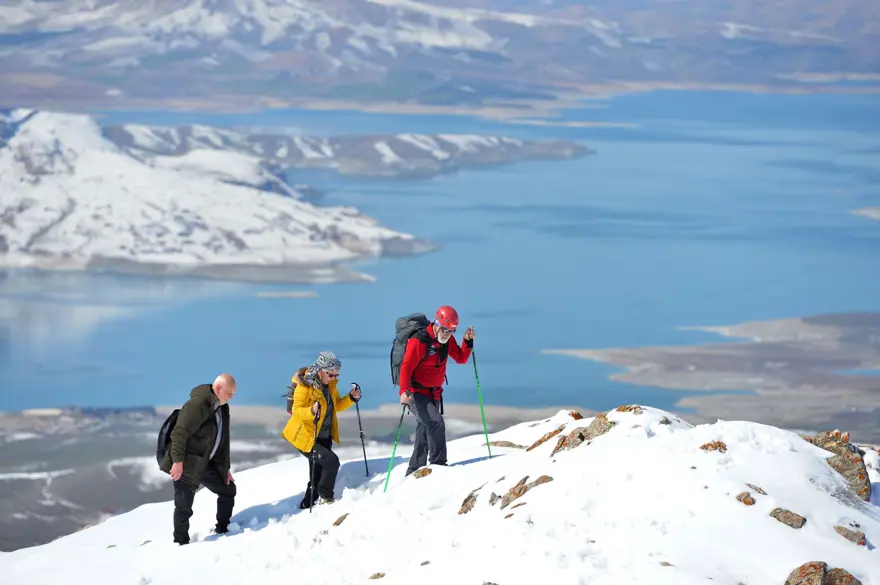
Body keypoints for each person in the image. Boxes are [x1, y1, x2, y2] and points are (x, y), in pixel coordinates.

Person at [159, 373, 237, 545]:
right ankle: (181, 543)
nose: (231, 397)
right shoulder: (197, 405)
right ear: (218, 388)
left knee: (228, 490)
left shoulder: (223, 408)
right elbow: (178, 434)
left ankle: (223, 530)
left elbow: (223, 441)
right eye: (229, 393)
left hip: (206, 463)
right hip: (187, 464)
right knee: (184, 507)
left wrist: (226, 469)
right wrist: (178, 462)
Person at [398, 305, 475, 476]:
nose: (447, 335)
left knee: (424, 428)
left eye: (451, 332)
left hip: (434, 393)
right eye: (445, 330)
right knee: (435, 423)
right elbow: (406, 367)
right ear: (437, 324)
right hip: (415, 393)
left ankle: (414, 469)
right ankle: (438, 464)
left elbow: (461, 358)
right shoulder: (419, 340)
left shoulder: (446, 341)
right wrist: (404, 391)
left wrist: (467, 341)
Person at [281, 351, 362, 507]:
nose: (334, 378)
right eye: (331, 375)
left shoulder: (329, 385)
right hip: (306, 437)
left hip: (324, 435)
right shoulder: (305, 385)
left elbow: (336, 405)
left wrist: (351, 398)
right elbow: (297, 410)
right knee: (331, 462)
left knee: (317, 473)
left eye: (336, 375)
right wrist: (311, 411)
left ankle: (307, 505)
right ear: (320, 370)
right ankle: (326, 499)